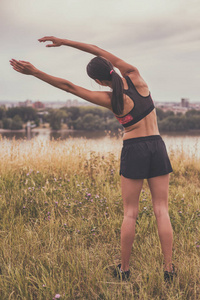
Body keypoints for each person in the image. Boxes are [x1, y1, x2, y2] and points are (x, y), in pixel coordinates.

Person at [10, 36, 176, 282]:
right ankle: (169, 270)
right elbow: (97, 49)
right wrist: (63, 42)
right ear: (112, 68)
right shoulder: (135, 75)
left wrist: (35, 72)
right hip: (157, 145)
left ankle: (125, 271)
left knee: (130, 213)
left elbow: (68, 87)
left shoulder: (111, 99)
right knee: (162, 210)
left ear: (99, 81)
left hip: (134, 148)